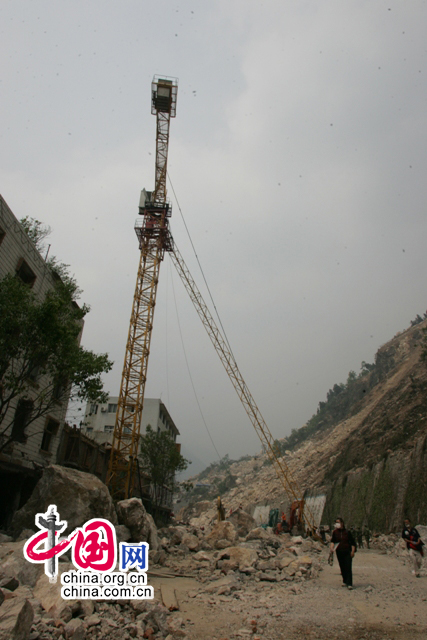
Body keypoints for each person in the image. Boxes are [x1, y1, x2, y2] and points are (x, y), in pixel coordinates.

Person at [330, 517, 356, 589]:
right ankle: (345, 580)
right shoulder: (335, 532)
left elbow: (353, 543)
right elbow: (333, 541)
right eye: (336, 523)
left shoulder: (347, 532)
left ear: (342, 523)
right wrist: (331, 548)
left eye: (338, 522)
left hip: (347, 552)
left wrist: (353, 551)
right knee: (342, 567)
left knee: (348, 567)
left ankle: (349, 583)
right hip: (339, 552)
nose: (337, 524)